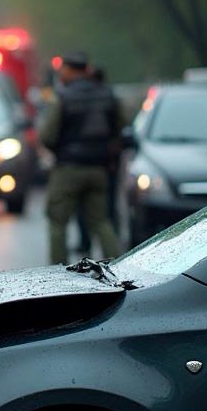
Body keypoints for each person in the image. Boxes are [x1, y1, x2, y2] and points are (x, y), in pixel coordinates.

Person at [41, 51, 121, 264]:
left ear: (69, 69)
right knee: (101, 221)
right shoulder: (106, 94)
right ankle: (116, 266)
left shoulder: (63, 96)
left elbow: (48, 136)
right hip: (99, 169)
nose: (61, 74)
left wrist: (58, 150)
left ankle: (58, 272)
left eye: (63, 70)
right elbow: (119, 128)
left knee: (57, 221)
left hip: (68, 168)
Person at [75, 64, 121, 255]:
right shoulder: (110, 98)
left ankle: (85, 242)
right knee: (105, 212)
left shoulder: (77, 98)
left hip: (81, 162)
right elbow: (120, 128)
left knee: (83, 208)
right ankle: (113, 253)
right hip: (105, 163)